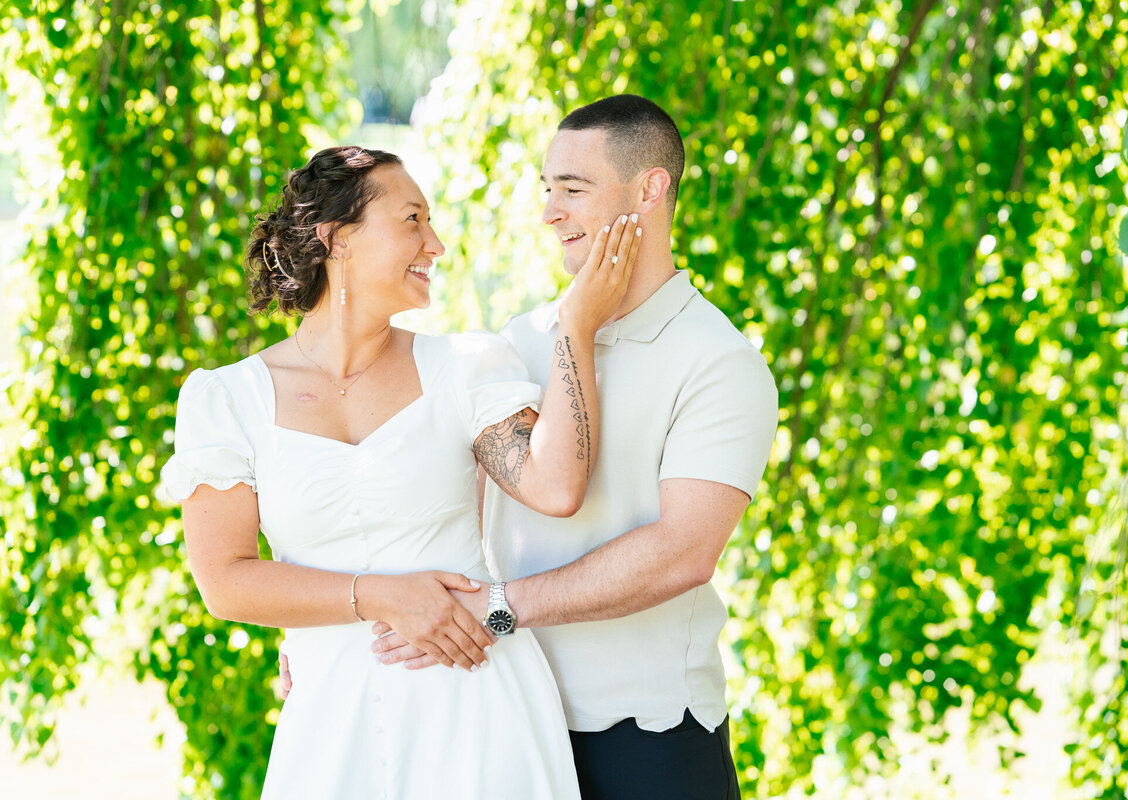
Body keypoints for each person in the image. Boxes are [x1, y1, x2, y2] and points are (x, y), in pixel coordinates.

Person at [160, 145, 641, 798]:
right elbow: (225, 583)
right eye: (412, 219)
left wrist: (574, 330)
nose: (436, 244)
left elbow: (555, 488)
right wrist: (381, 596)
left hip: (479, 715)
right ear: (338, 239)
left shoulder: (468, 367)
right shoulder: (226, 399)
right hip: (332, 728)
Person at [367, 95, 779, 799]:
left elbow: (683, 553)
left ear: (650, 190)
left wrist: (499, 607)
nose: (549, 212)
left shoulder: (720, 361)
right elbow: (437, 513)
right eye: (546, 190)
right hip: (505, 724)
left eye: (574, 190)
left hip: (650, 743)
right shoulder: (516, 344)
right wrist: (331, 651)